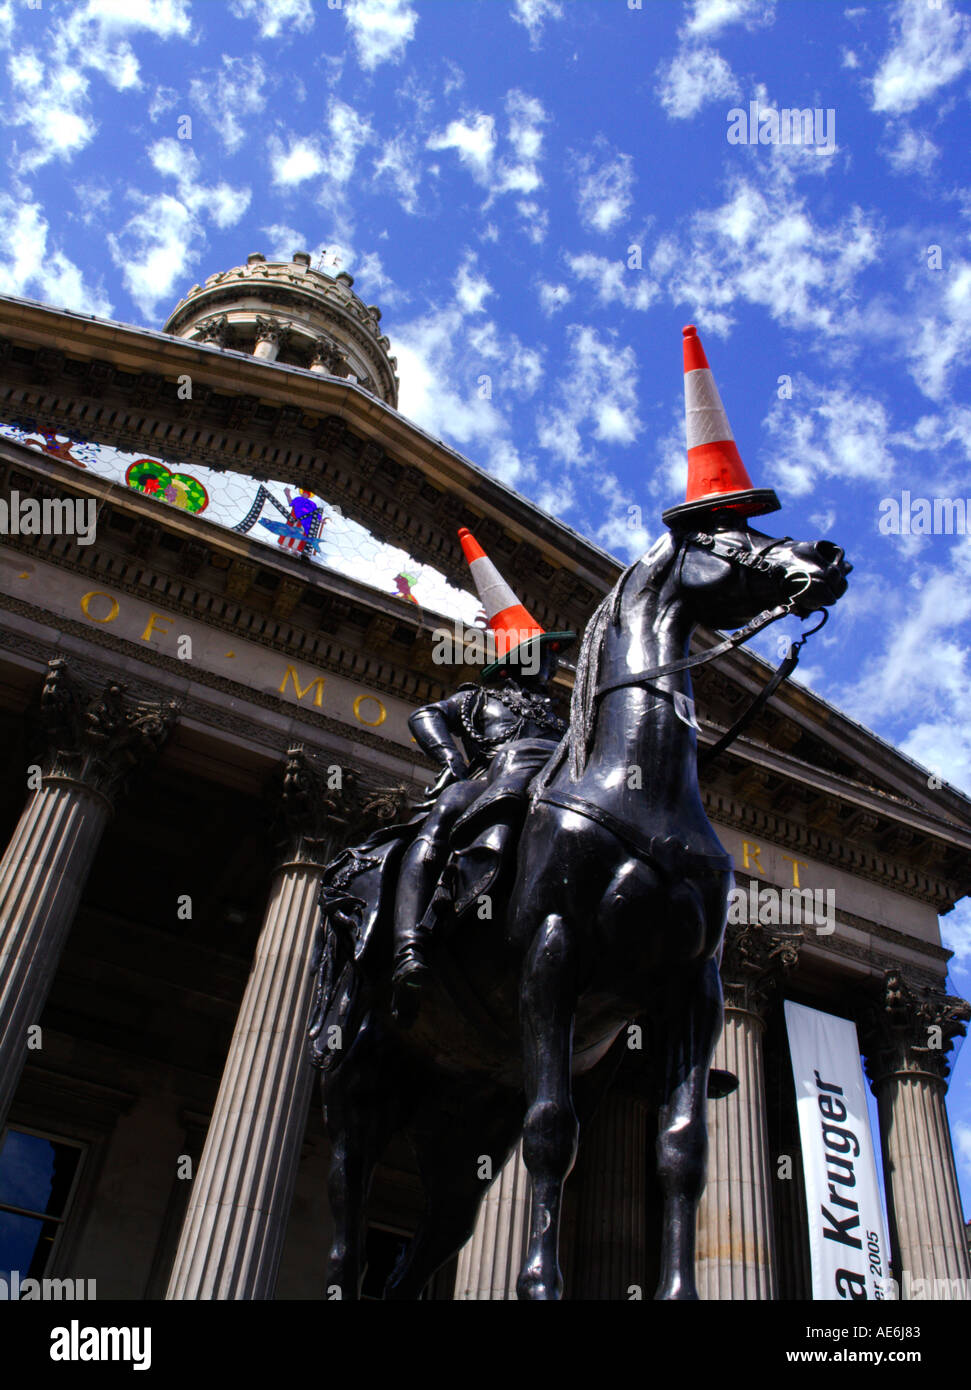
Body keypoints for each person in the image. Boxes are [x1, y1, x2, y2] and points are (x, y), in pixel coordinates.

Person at [391, 528, 574, 1021]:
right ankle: (409, 942)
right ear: (521, 659)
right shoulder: (480, 699)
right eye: (545, 653)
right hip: (488, 782)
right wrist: (450, 759)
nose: (554, 663)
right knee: (442, 819)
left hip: (550, 792)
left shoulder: (564, 722)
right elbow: (426, 715)